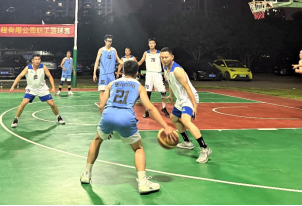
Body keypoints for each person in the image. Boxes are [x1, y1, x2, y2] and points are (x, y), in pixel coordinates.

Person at [80, 60, 178, 195]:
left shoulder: (112, 83)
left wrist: (107, 124)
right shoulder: (139, 86)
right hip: (126, 117)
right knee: (138, 148)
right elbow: (149, 108)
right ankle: (143, 182)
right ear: (137, 73)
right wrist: (165, 126)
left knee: (97, 140)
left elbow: (102, 105)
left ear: (123, 71)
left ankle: (86, 173)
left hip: (108, 115)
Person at [160, 47, 212, 164]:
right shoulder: (165, 68)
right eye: (162, 57)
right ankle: (187, 142)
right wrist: (171, 95)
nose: (164, 59)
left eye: (166, 57)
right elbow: (171, 82)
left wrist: (195, 106)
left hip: (189, 98)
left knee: (186, 121)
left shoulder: (177, 70)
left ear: (172, 57)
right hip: (181, 99)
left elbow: (187, 88)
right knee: (174, 118)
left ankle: (205, 148)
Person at [9, 55, 65, 128]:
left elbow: (50, 76)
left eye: (38, 59)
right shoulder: (28, 68)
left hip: (42, 88)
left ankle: (58, 117)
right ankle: (16, 119)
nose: (37, 61)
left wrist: (53, 87)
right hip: (31, 88)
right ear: (32, 60)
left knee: (51, 103)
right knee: (23, 103)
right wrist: (12, 86)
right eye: (36, 59)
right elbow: (19, 76)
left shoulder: (43, 67)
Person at [138, 39, 169, 119]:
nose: (151, 44)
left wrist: (165, 72)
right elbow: (140, 62)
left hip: (157, 74)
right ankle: (147, 110)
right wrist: (132, 65)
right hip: (149, 74)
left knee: (163, 91)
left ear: (155, 44)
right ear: (148, 44)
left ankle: (164, 107)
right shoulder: (146, 53)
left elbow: (163, 63)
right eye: (150, 43)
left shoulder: (159, 53)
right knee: (148, 92)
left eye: (153, 43)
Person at [93, 35, 123, 101]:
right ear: (105, 41)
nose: (110, 43)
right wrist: (94, 73)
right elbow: (96, 62)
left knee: (112, 91)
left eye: (111, 41)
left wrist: (126, 64)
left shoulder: (114, 50)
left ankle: (109, 104)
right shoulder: (101, 50)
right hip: (103, 74)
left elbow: (118, 60)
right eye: (108, 41)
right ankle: (102, 105)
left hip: (111, 74)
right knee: (102, 91)